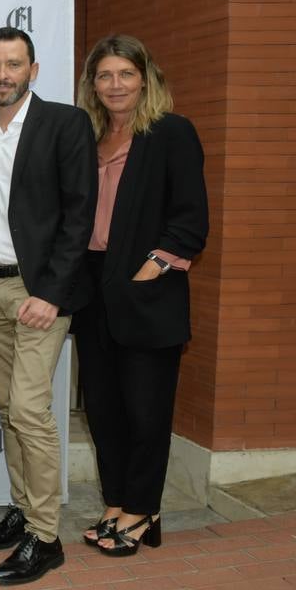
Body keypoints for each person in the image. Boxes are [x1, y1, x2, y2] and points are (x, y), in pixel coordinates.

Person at [0, 27, 97, 585]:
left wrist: (51, 292)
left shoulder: (65, 125)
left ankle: (45, 538)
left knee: (28, 410)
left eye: (13, 65)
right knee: (5, 410)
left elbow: (79, 214)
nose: (3, 75)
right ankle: (23, 511)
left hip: (38, 291)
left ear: (33, 70)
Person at [73, 34, 208, 556]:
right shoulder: (89, 137)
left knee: (146, 409)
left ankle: (143, 509)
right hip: (93, 285)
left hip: (147, 288)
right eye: (104, 76)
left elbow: (191, 218)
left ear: (145, 78)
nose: (114, 85)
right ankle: (117, 502)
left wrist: (151, 269)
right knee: (103, 406)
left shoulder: (171, 133)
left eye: (125, 74)